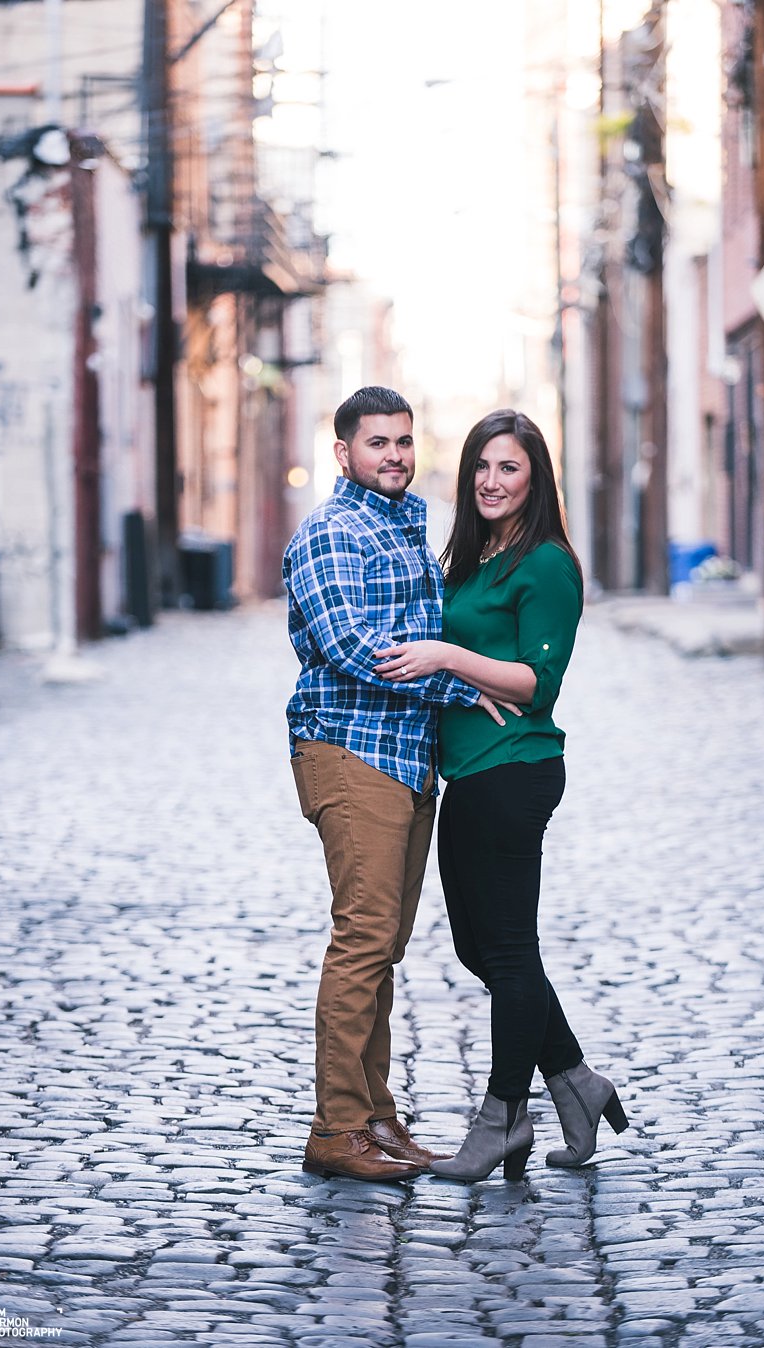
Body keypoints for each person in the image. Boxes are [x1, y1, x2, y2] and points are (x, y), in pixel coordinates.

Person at [374, 408, 629, 1181]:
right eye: (482, 466)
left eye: (509, 468)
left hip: (514, 770)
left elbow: (537, 683)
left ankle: (504, 1116)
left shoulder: (546, 563)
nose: (491, 480)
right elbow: (479, 665)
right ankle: (577, 1082)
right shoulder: (478, 557)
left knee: (510, 952)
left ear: (535, 478)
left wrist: (448, 654)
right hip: (472, 771)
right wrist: (455, 673)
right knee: (477, 948)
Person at [283, 386, 504, 1183]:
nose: (395, 457)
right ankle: (335, 1129)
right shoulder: (332, 533)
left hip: (409, 760)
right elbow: (351, 644)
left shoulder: (404, 526)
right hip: (351, 752)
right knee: (362, 942)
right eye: (378, 444)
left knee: (383, 948)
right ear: (344, 453)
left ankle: (376, 1116)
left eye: (404, 442)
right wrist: (454, 681)